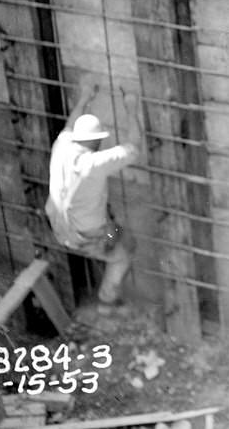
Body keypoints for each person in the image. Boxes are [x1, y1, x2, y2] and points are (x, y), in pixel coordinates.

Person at [45, 79, 144, 312]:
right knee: (124, 249)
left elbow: (71, 124)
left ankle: (106, 254)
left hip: (58, 229)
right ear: (98, 140)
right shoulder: (94, 163)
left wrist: (85, 96)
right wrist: (130, 106)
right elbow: (134, 146)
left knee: (114, 231)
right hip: (88, 236)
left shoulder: (61, 145)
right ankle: (107, 301)